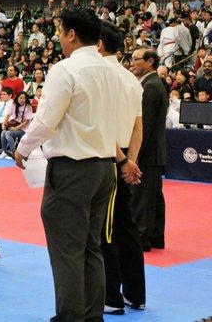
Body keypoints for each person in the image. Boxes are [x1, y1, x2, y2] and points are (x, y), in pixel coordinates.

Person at [14, 8, 131, 321]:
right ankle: (92, 315)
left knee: (67, 249)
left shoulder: (65, 70)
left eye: (59, 31)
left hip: (73, 169)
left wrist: (23, 148)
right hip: (104, 168)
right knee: (91, 246)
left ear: (71, 34)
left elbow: (46, 120)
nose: (56, 37)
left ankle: (69, 317)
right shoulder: (113, 71)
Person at [98, 21, 146, 315]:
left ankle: (111, 298)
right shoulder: (132, 80)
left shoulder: (101, 76)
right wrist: (133, 160)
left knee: (105, 229)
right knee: (126, 226)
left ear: (99, 44)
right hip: (126, 153)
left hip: (109, 156)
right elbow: (138, 128)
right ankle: (135, 294)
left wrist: (122, 161)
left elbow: (103, 127)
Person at [130, 48, 168, 253]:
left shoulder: (150, 87)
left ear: (150, 61)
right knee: (153, 195)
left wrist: (133, 156)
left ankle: (142, 238)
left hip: (147, 152)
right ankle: (154, 236)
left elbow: (144, 126)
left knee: (143, 196)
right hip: (154, 151)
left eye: (136, 59)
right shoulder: (151, 83)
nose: (132, 62)